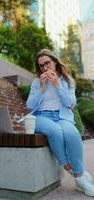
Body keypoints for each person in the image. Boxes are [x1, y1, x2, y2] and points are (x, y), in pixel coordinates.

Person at [26, 48, 94, 197]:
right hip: (41, 117)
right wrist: (42, 88)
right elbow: (30, 106)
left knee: (72, 133)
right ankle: (74, 171)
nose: (45, 68)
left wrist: (57, 85)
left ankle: (79, 176)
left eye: (47, 63)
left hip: (62, 116)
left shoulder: (67, 80)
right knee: (55, 131)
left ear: (55, 62)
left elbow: (70, 104)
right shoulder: (37, 82)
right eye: (41, 66)